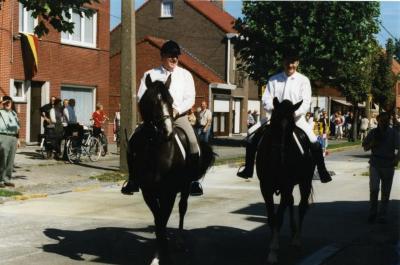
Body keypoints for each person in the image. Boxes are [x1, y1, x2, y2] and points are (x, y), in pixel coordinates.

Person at [236, 51, 332, 183]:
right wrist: (275, 110)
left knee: (313, 140)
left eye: (293, 62)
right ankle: (248, 169)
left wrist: (293, 113)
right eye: (287, 62)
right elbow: (266, 99)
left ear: (297, 63)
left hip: (296, 119)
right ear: (283, 62)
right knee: (251, 134)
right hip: (274, 118)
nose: (290, 65)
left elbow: (305, 102)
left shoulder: (303, 80)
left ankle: (322, 171)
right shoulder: (274, 79)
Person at [122, 40, 202, 196]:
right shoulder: (150, 75)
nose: (174, 59)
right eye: (170, 56)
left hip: (178, 117)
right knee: (133, 140)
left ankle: (193, 180)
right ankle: (133, 180)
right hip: (154, 119)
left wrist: (177, 110)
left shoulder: (185, 75)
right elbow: (141, 97)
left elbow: (190, 98)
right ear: (162, 56)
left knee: (193, 142)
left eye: (176, 56)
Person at [362, 112, 399, 224]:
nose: (384, 122)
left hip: (388, 164)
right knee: (374, 190)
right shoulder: (373, 132)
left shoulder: (393, 133)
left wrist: (396, 159)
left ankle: (382, 215)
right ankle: (373, 213)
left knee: (385, 192)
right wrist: (372, 143)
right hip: (375, 164)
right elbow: (365, 147)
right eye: (382, 120)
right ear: (378, 120)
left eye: (386, 120)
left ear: (389, 121)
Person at [0, 96, 20, 188]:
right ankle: (0, 180)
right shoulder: (0, 112)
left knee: (10, 160)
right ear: (3, 103)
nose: (7, 104)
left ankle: (7, 179)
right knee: (3, 158)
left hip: (13, 138)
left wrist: (18, 139)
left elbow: (17, 127)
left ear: (12, 103)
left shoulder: (14, 113)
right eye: (5, 102)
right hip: (3, 136)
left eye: (9, 102)